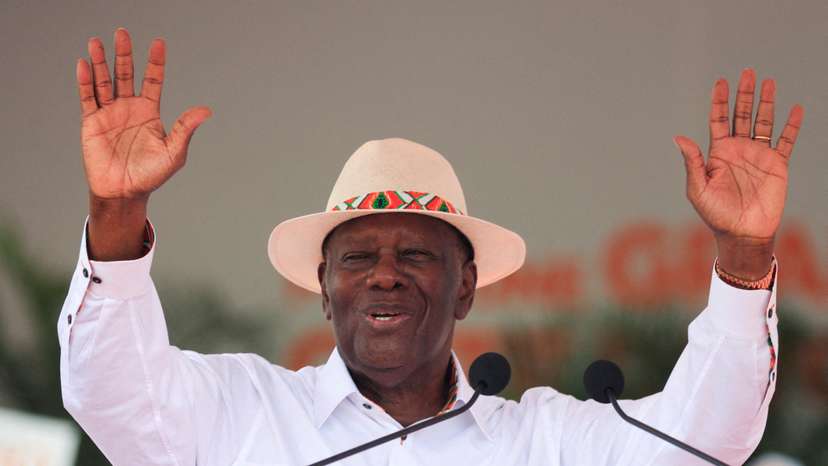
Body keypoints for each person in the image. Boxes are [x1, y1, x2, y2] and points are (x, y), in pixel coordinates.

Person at [58, 27, 803, 465]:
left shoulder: (541, 441)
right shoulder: (238, 411)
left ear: (467, 287)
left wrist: (743, 256)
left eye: (416, 256)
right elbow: (110, 394)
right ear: (323, 288)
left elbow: (700, 446)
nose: (385, 276)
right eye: (356, 258)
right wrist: (117, 212)